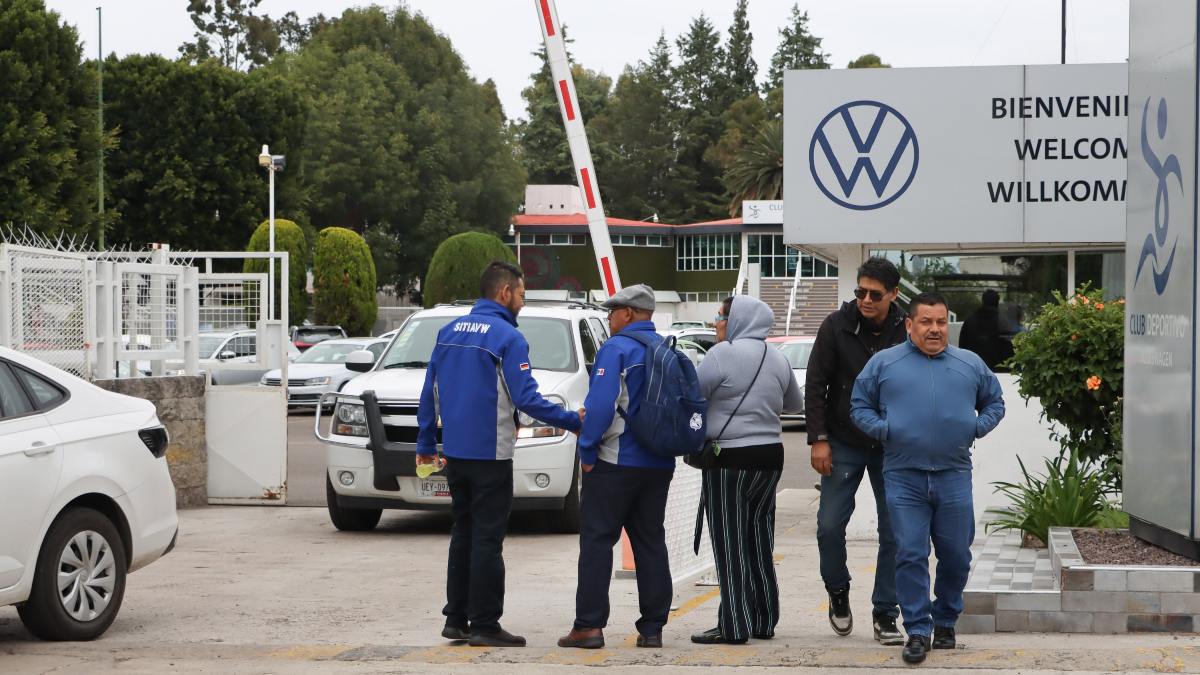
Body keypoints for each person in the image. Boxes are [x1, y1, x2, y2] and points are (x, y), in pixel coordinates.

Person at [416, 261, 582, 648]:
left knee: (463, 533)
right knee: (488, 540)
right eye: (522, 294)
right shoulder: (508, 337)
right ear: (504, 293)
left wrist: (426, 445)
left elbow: (430, 394)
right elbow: (526, 399)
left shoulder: (447, 332)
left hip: (454, 455)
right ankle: (486, 625)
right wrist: (573, 420)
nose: (522, 302)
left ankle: (456, 619)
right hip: (491, 457)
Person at [850, 293, 1005, 665]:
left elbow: (995, 402)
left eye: (940, 323)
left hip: (953, 474)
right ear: (909, 324)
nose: (935, 330)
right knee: (910, 553)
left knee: (956, 556)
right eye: (926, 322)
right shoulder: (884, 363)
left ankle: (946, 618)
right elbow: (859, 405)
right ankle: (918, 630)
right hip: (903, 476)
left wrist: (975, 426)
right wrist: (885, 429)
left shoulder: (970, 363)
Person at [558, 284, 674, 650]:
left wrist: (587, 453)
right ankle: (653, 628)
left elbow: (601, 406)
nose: (609, 318)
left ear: (627, 313)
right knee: (651, 543)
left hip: (616, 464)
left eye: (612, 312)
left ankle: (589, 627)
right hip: (659, 464)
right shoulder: (667, 349)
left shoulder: (616, 349)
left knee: (596, 542)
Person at [804, 257, 908, 645]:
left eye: (874, 294)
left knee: (895, 530)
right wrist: (818, 438)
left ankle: (885, 614)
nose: (865, 299)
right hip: (843, 442)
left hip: (892, 446)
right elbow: (815, 385)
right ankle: (838, 592)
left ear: (893, 295)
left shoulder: (905, 328)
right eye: (860, 291)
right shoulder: (835, 325)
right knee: (829, 526)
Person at [691, 295, 803, 645]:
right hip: (770, 458)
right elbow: (793, 405)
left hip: (730, 460)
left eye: (722, 316)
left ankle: (734, 625)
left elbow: (693, 394)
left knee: (729, 543)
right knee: (758, 541)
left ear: (739, 320)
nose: (717, 322)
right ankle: (764, 618)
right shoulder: (779, 359)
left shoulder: (721, 354)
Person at [957, 289, 1014, 371]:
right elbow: (1009, 352)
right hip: (999, 373)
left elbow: (962, 347)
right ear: (997, 302)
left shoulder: (969, 321)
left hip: (973, 371)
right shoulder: (1003, 322)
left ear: (983, 301)